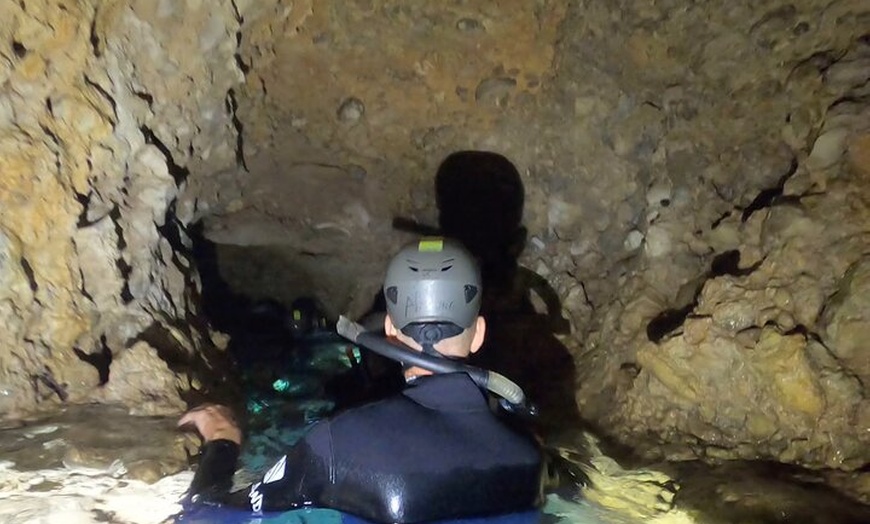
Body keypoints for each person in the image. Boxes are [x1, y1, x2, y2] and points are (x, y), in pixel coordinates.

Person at [178, 237, 544, 523]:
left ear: (389, 329)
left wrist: (223, 441)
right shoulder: (529, 454)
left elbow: (208, 515)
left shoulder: (343, 441)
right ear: (478, 333)